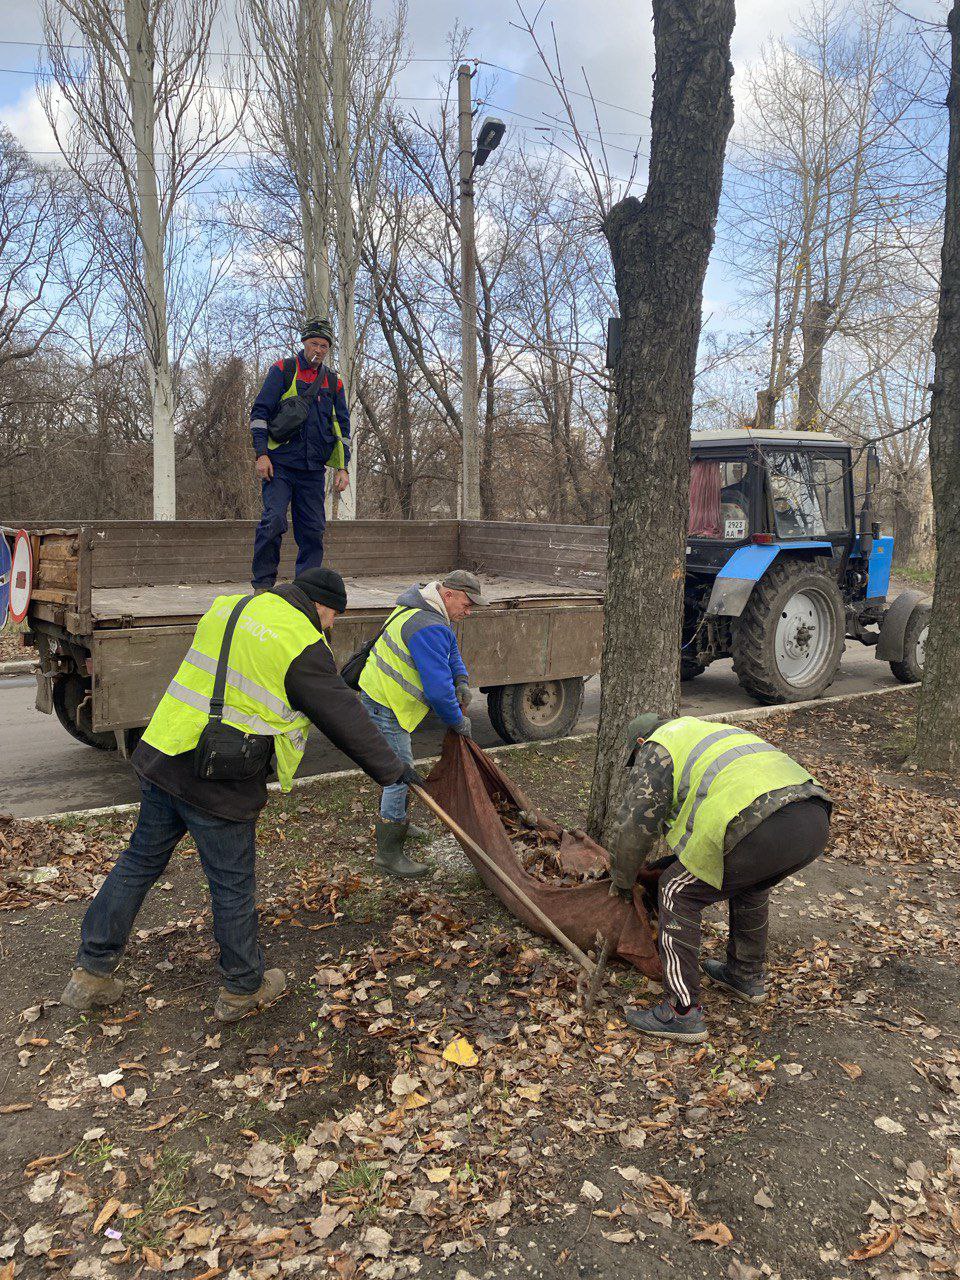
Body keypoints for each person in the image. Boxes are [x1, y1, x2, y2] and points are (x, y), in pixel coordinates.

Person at [59, 568, 422, 1023]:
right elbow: (342, 713)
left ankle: (90, 974)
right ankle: (242, 988)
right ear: (323, 606)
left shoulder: (229, 606)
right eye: (332, 618)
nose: (328, 626)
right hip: (219, 779)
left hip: (165, 753)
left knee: (139, 861)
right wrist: (392, 770)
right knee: (231, 885)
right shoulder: (300, 640)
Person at [609, 713, 832, 1043]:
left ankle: (681, 1012)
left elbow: (634, 826)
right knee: (750, 883)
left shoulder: (658, 747)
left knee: (676, 890)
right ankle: (745, 974)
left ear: (641, 744)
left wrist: (622, 880)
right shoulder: (707, 733)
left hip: (760, 824)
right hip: (813, 817)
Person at [358, 570, 486, 878]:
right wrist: (458, 721)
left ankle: (398, 819)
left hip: (381, 697)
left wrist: (462, 679)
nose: (468, 612)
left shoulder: (424, 607)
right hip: (384, 704)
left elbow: (451, 650)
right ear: (449, 594)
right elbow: (438, 692)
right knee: (398, 775)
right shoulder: (426, 625)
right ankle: (388, 853)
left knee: (399, 768)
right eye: (467, 605)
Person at [250, 317, 351, 591]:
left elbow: (341, 427)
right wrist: (261, 454)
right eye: (314, 343)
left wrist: (343, 467)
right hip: (279, 465)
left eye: (324, 345)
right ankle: (262, 586)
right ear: (304, 342)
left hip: (313, 470)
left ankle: (306, 590)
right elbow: (259, 414)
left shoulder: (333, 382)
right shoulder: (283, 370)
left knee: (313, 531)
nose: (318, 350)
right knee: (273, 522)